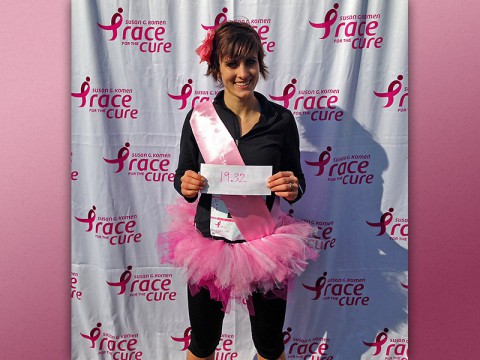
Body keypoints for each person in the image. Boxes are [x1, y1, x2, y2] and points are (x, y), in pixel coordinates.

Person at [159, 21, 317, 360]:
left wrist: (292, 187)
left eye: (251, 62)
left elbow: (298, 182)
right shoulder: (199, 119)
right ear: (217, 68)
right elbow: (182, 176)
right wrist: (186, 185)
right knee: (202, 343)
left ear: (260, 63)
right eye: (232, 64)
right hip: (208, 245)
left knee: (270, 345)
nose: (243, 73)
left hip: (265, 246)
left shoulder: (281, 120)